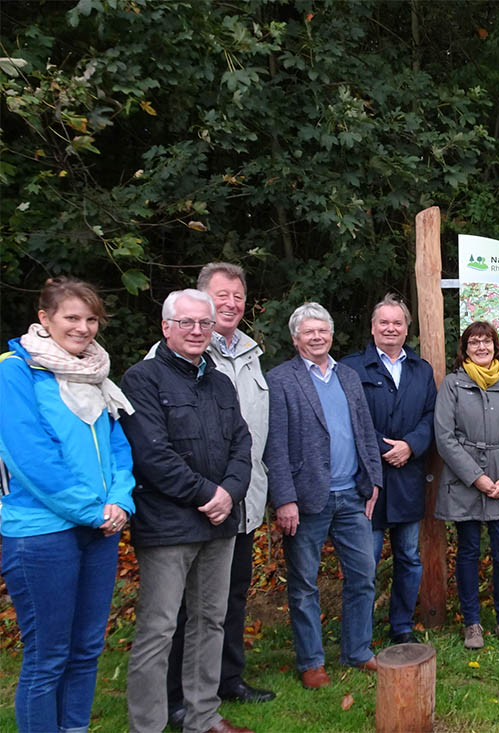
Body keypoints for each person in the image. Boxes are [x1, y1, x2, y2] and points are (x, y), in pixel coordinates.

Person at [0, 277, 136, 733]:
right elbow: (30, 457)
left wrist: (119, 500)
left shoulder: (95, 371)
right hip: (40, 533)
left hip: (98, 528)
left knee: (86, 649)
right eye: (71, 317)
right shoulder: (15, 370)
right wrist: (92, 510)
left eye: (91, 318)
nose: (83, 328)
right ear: (44, 318)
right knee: (48, 656)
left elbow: (118, 445)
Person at [121, 289, 253, 733]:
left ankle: (203, 717)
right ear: (166, 327)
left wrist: (230, 494)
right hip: (169, 526)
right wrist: (207, 495)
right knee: (159, 630)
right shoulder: (143, 379)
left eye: (205, 324)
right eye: (187, 323)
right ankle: (149, 725)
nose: (197, 331)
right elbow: (152, 455)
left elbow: (242, 443)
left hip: (220, 524)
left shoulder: (219, 381)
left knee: (210, 623)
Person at [157, 264, 273, 728]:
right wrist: (209, 493)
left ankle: (227, 679)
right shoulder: (171, 356)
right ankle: (176, 696)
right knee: (186, 607)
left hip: (241, 498)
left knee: (232, 597)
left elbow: (251, 434)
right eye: (221, 295)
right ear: (201, 300)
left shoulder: (249, 352)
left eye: (238, 296)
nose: (230, 304)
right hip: (191, 505)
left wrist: (238, 489)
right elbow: (160, 439)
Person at [264, 303, 384, 688]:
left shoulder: (347, 376)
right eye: (308, 332)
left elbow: (365, 431)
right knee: (304, 586)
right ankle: (312, 662)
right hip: (305, 500)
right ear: (295, 338)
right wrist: (284, 499)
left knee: (363, 577)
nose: (317, 337)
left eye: (323, 330)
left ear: (332, 334)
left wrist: (374, 481)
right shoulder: (280, 380)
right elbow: (275, 445)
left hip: (352, 495)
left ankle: (357, 651)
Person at [341, 294, 437, 644]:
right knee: (364, 565)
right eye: (384, 322)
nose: (391, 328)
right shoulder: (350, 368)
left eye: (397, 323)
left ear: (406, 328)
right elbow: (347, 421)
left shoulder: (421, 369)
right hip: (367, 481)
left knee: (409, 559)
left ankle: (401, 627)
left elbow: (431, 416)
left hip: (408, 478)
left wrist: (411, 446)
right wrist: (385, 448)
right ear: (372, 327)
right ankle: (359, 636)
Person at [434, 321, 499, 650]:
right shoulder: (452, 385)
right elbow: (445, 438)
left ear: (495, 346)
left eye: (486, 341)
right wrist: (477, 477)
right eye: (474, 342)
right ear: (465, 348)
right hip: (465, 484)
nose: (481, 347)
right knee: (468, 552)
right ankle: (472, 622)